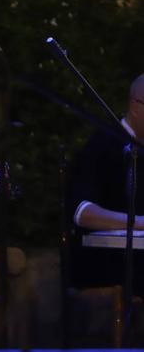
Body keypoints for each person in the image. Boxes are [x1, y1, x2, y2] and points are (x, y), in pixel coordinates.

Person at [66, 73, 144, 293]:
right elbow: (81, 212)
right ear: (136, 107)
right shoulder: (103, 144)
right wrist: (138, 222)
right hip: (103, 258)